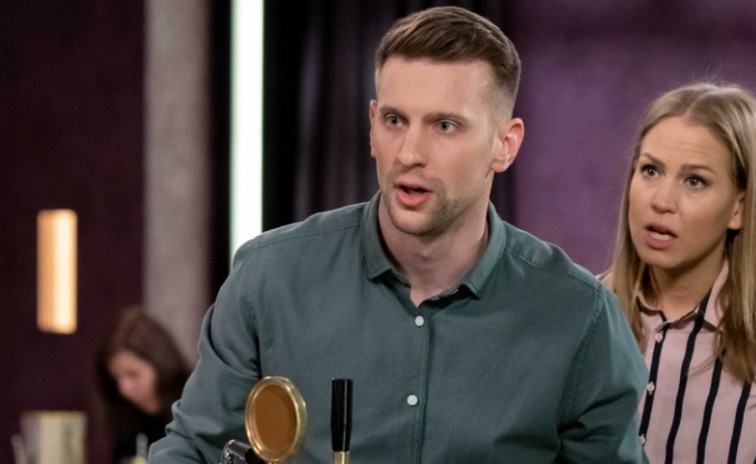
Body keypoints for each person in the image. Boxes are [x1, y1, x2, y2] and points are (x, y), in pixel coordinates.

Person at [150, 6, 647, 463]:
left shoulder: (579, 317)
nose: (410, 153)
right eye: (394, 120)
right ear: (371, 127)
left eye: (444, 126)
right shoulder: (268, 279)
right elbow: (193, 449)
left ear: (505, 144)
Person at [602, 82, 756, 462]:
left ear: (738, 208)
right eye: (651, 170)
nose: (662, 201)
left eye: (694, 181)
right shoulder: (582, 315)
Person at [94, 306, 190, 464]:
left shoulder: (191, 412)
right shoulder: (125, 420)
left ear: (161, 364)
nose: (124, 389)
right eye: (115, 378)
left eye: (133, 374)